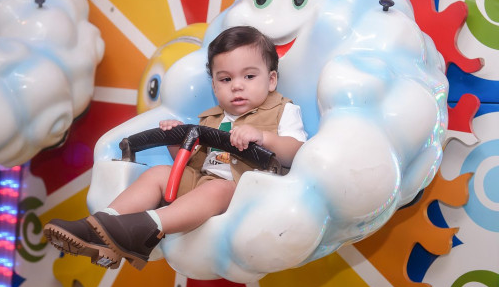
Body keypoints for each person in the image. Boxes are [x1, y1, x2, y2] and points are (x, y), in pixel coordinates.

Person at [44, 26, 307, 270]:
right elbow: (192, 163)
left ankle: (145, 228)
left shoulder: (282, 110)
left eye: (249, 76)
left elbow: (296, 152)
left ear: (271, 80)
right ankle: (104, 225)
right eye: (226, 79)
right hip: (203, 183)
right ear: (214, 86)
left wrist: (263, 138)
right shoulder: (211, 119)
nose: (237, 85)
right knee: (160, 173)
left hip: (247, 193)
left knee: (219, 188)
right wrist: (176, 141)